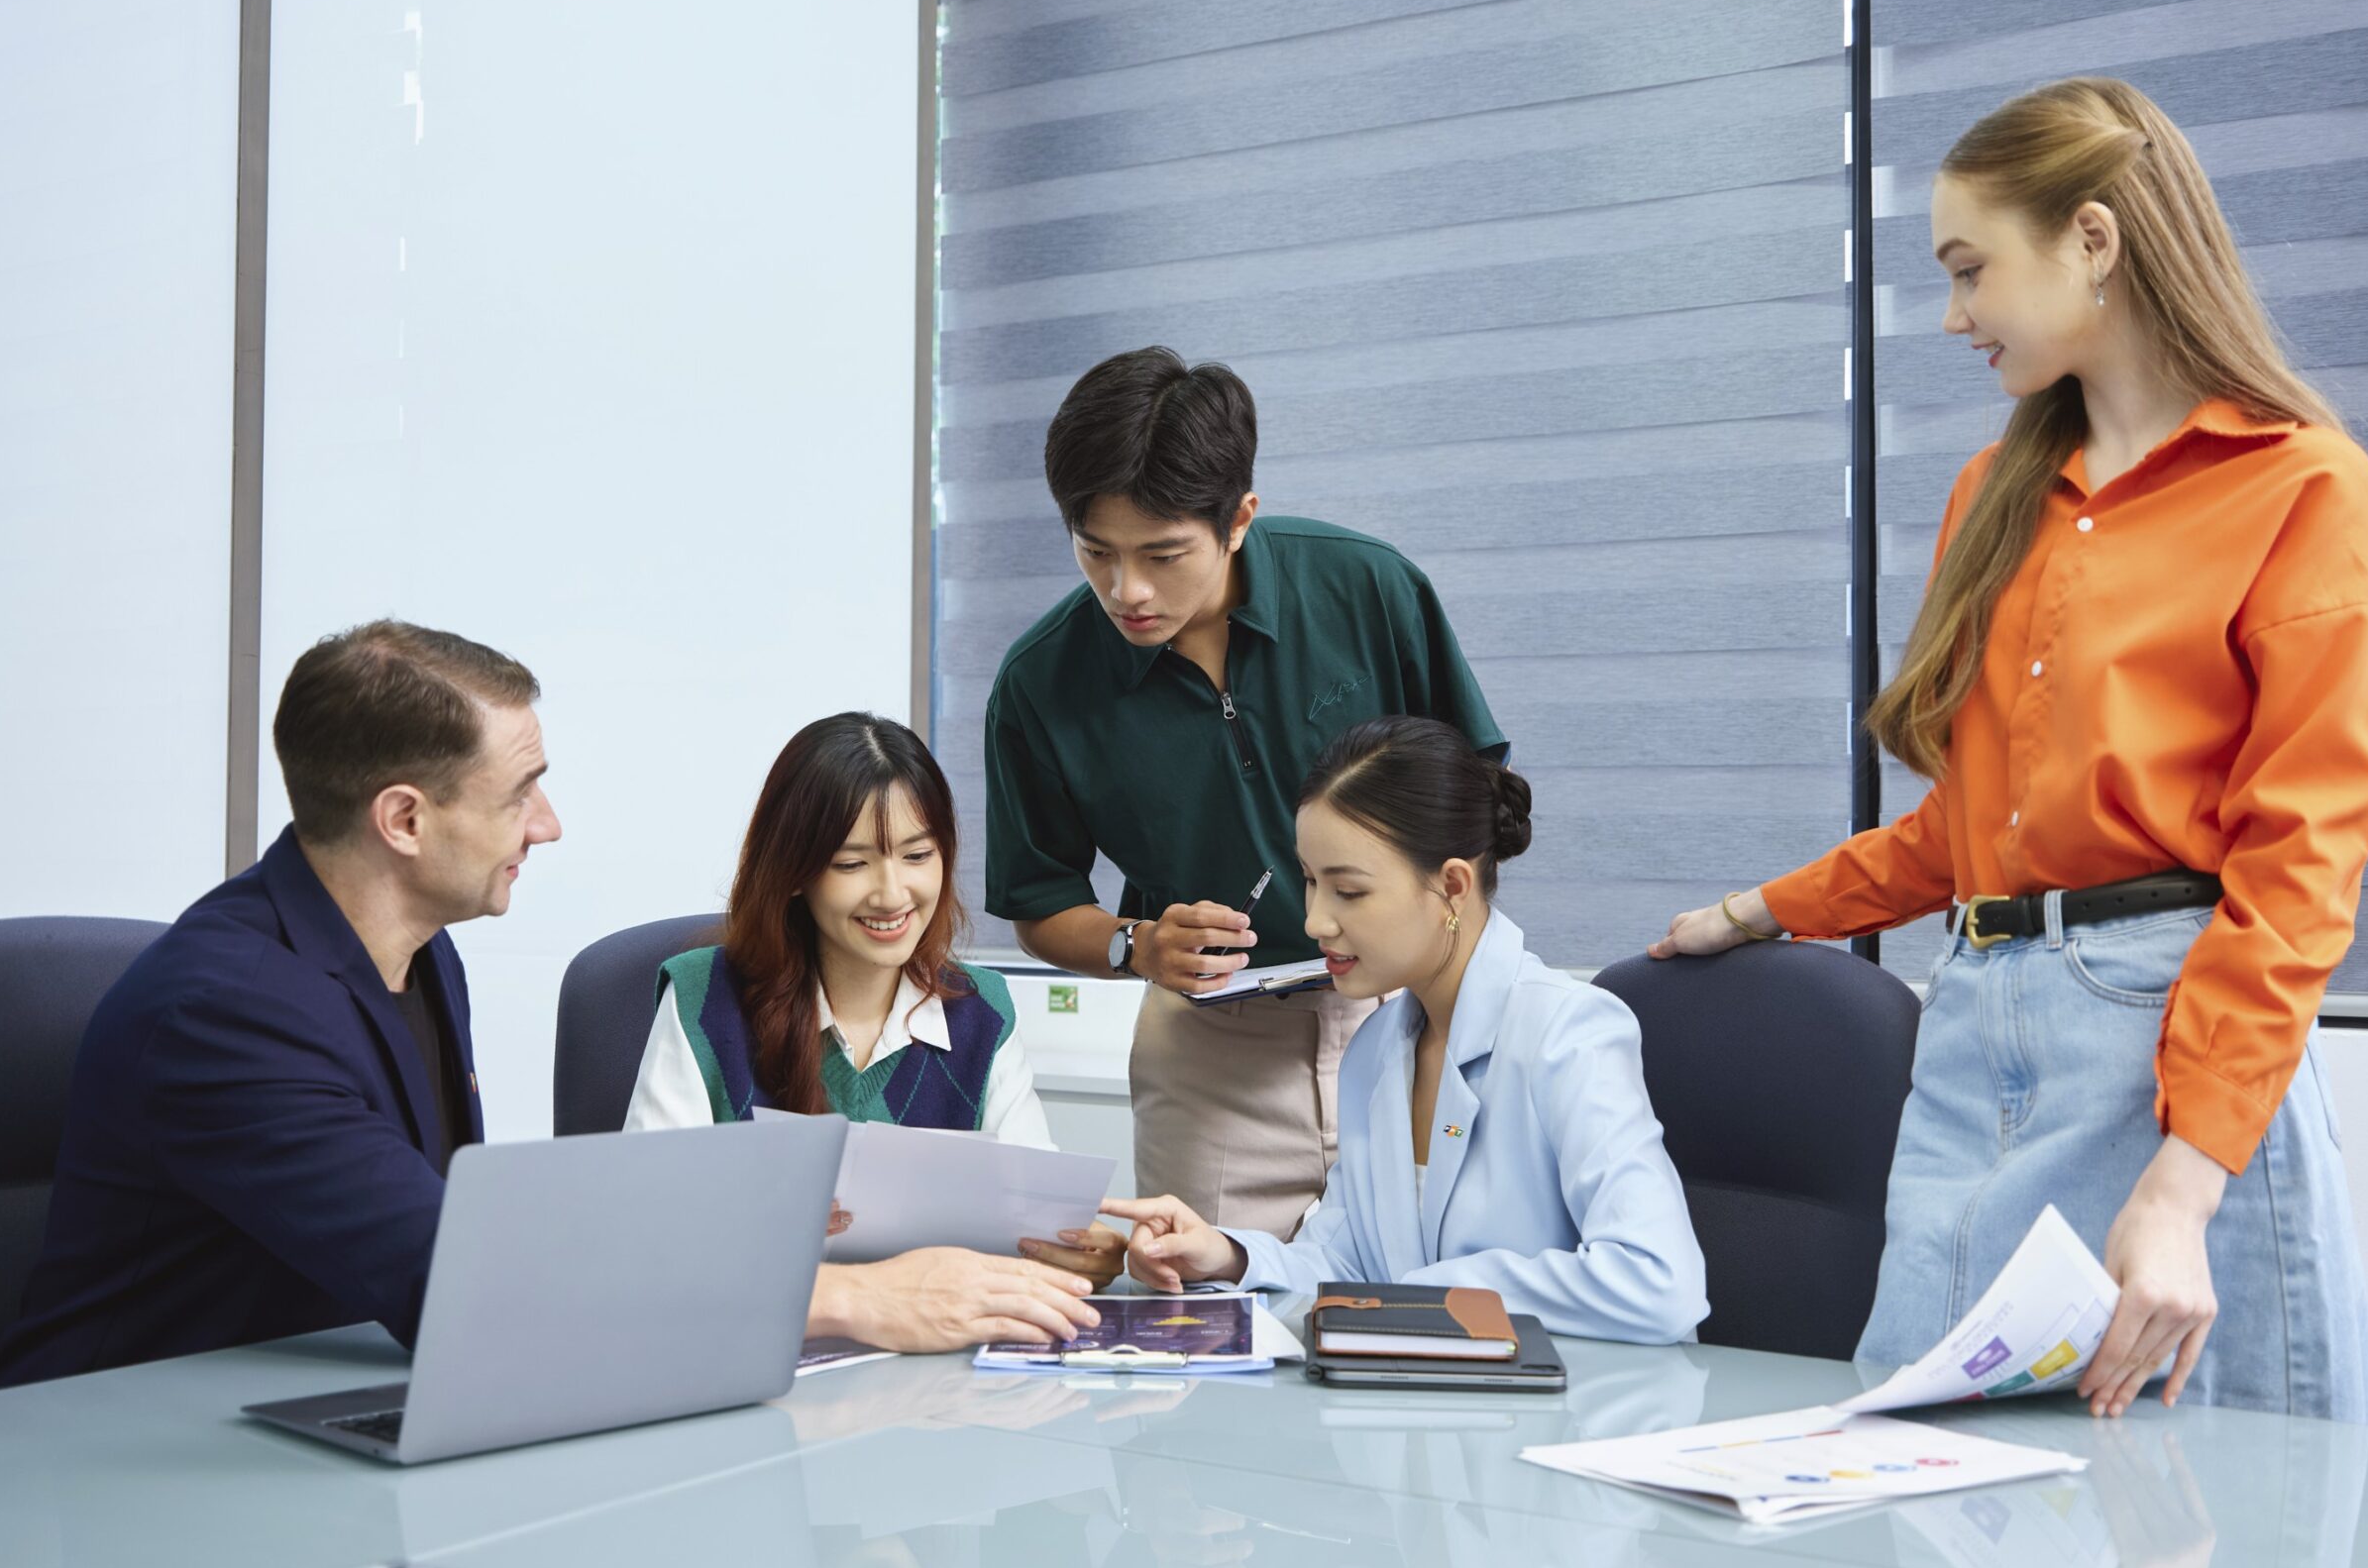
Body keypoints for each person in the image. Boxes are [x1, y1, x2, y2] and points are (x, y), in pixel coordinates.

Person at [1652, 77, 2368, 1421]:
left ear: (2095, 242)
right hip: (1978, 1024)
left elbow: (2299, 865)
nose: (1952, 317)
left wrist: (2184, 1180)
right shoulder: (1987, 502)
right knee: (1914, 1460)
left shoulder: (2302, 486)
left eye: (1968, 270)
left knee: (2212, 1534)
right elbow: (1974, 828)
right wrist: (1757, 912)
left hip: (2170, 1037)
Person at [984, 346, 1507, 1237]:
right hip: (1212, 1064)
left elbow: (1475, 806)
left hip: (1408, 1023)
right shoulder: (1041, 682)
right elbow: (1041, 905)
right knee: (1207, 1339)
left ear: (1238, 520)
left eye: (1163, 553)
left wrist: (1447, 999)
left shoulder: (1366, 587)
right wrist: (1136, 944)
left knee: (1441, 1318)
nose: (1128, 591)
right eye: (1095, 551)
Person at [0, 620, 563, 1386]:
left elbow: (446, 1247)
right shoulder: (225, 1011)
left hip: (308, 1411)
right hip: (122, 1456)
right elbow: (457, 1286)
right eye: (519, 793)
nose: (547, 825)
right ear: (404, 820)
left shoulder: (424, 951)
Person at [1095, 717, 1708, 1344]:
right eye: (1310, 882)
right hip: (1427, 1406)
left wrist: (1424, 1294)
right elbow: (1344, 1264)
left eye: (1349, 892)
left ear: (1450, 886)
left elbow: (1657, 1283)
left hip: (1580, 1417)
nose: (1315, 922)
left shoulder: (1568, 1032)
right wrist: (1226, 1255)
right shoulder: (1379, 1047)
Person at [625, 711, 1123, 1352]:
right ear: (797, 872)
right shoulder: (705, 1000)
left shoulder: (980, 1012)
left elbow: (1031, 1217)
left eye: (918, 855)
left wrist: (1080, 1249)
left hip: (934, 1389)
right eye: (852, 863)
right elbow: (645, 1232)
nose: (893, 895)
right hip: (751, 1360)